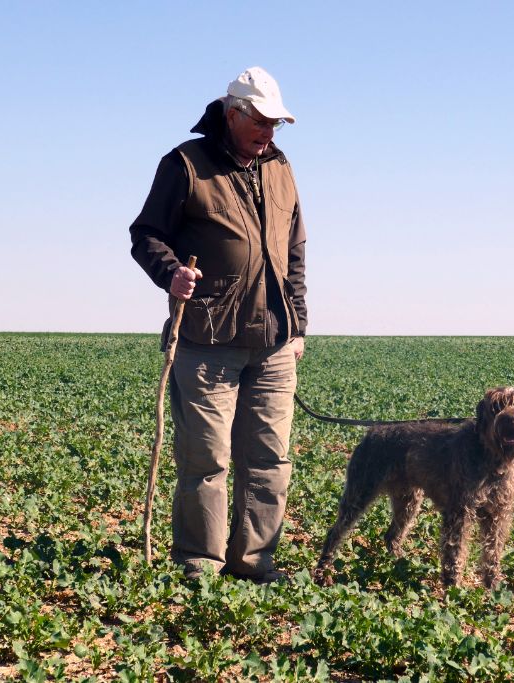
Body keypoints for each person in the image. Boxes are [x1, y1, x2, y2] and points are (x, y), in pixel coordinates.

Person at [129, 67, 307, 583]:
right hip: (206, 338)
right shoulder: (185, 163)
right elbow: (146, 235)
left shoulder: (280, 167)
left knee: (270, 460)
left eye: (277, 124)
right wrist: (171, 274)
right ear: (233, 113)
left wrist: (297, 326)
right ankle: (198, 567)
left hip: (273, 341)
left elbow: (295, 251)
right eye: (261, 122)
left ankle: (254, 563)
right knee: (206, 459)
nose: (269, 133)